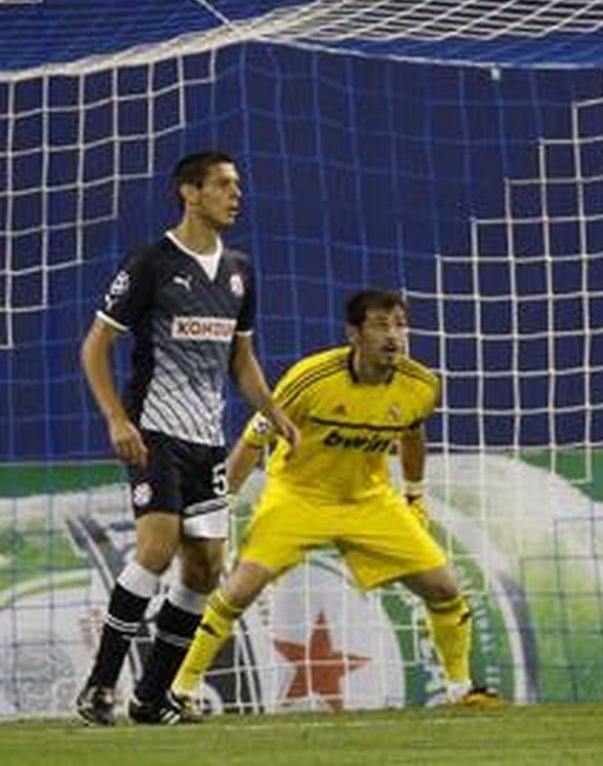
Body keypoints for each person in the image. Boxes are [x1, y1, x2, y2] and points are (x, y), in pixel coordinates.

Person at [168, 290, 500, 714]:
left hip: (369, 501)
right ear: (354, 334)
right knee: (239, 589)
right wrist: (221, 505)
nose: (393, 335)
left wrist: (414, 493)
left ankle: (460, 688)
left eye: (400, 324)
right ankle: (182, 688)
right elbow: (253, 441)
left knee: (445, 588)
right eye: (381, 325)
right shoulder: (311, 379)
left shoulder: (420, 385)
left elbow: (413, 436)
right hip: (298, 496)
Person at [75, 151, 301, 725]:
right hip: (153, 431)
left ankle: (152, 699)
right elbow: (95, 347)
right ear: (189, 192)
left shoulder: (240, 270)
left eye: (237, 186)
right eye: (224, 185)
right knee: (155, 548)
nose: (236, 195)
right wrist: (115, 419)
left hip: (207, 441)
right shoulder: (150, 263)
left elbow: (241, 359)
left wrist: (276, 413)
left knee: (204, 570)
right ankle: (100, 687)